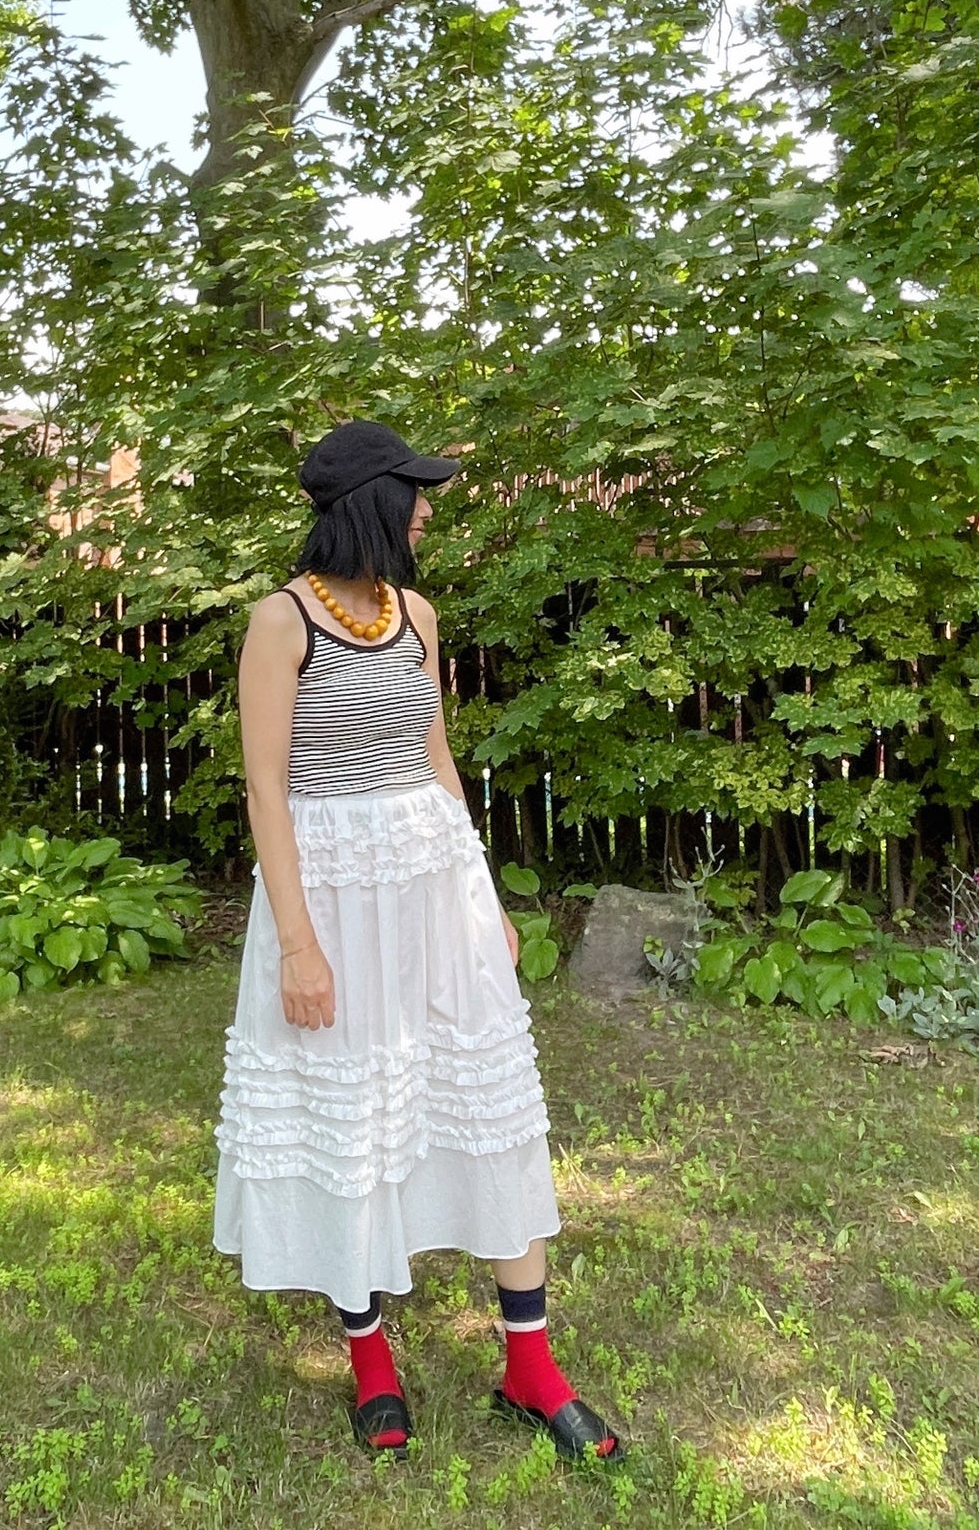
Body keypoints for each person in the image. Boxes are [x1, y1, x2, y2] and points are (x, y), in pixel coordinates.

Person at [211, 419, 624, 1465]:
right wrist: (298, 945)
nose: (429, 508)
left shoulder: (417, 616)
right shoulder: (279, 622)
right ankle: (370, 1358)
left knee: (487, 1103)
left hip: (430, 883)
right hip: (332, 894)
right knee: (349, 1112)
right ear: (371, 502)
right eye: (416, 490)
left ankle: (530, 1368)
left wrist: (481, 896)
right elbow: (265, 788)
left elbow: (435, 756)